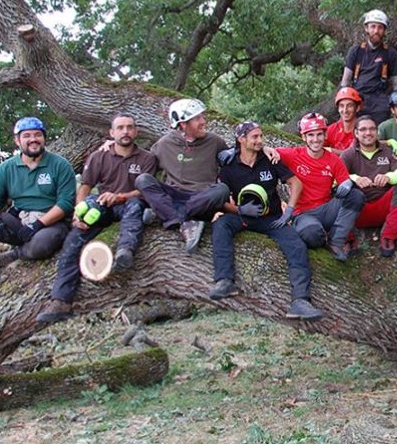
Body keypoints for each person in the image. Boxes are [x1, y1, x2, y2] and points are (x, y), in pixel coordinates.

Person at [36, 114, 157, 323]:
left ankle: (125, 251)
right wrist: (77, 213)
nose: (125, 131)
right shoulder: (99, 156)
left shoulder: (147, 158)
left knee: (135, 207)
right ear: (112, 133)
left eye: (130, 127)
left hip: (130, 202)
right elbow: (84, 187)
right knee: (74, 240)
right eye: (120, 128)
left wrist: (121, 196)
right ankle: (61, 300)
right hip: (102, 205)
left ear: (136, 131)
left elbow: (147, 190)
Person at [210, 121, 322, 319]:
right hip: (243, 216)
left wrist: (290, 210)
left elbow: (295, 183)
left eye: (261, 136)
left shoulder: (271, 159)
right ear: (241, 139)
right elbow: (221, 201)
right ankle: (224, 281)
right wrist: (239, 209)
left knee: (296, 246)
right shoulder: (229, 166)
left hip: (272, 219)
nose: (260, 140)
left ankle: (300, 301)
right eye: (255, 137)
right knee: (221, 224)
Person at [134, 98, 230, 252]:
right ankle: (182, 220)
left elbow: (237, 158)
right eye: (197, 118)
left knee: (222, 190)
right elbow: (140, 159)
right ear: (183, 124)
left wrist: (266, 150)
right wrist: (112, 144)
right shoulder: (164, 144)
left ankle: (165, 215)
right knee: (142, 180)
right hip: (174, 195)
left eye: (202, 116)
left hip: (202, 200)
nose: (203, 121)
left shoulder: (215, 142)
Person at [277, 112, 364, 261]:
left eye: (319, 134)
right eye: (310, 135)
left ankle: (336, 241)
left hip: (327, 209)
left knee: (356, 196)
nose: (315, 139)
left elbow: (345, 183)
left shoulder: (334, 160)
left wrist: (348, 183)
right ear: (304, 137)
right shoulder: (293, 155)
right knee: (312, 236)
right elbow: (264, 152)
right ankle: (322, 235)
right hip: (303, 213)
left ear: (325, 135)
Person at [0, 117, 75, 267]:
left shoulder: (60, 165)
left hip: (51, 223)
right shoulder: (7, 167)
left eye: (38, 135)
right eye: (27, 136)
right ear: (17, 140)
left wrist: (38, 224)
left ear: (44, 138)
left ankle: (16, 254)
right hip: (19, 221)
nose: (33, 139)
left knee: (41, 244)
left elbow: (66, 202)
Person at [341, 115, 397, 257]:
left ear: (377, 131)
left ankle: (388, 236)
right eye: (363, 129)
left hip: (385, 208)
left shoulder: (389, 150)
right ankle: (346, 238)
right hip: (358, 210)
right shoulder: (348, 154)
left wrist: (388, 177)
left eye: (372, 129)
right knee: (341, 190)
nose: (368, 133)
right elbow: (337, 177)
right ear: (356, 133)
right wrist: (356, 179)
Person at [339, 9, 397, 124]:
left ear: (384, 30)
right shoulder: (356, 51)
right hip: (357, 99)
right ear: (366, 28)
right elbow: (345, 83)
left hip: (380, 102)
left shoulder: (390, 53)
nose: (376, 31)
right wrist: (345, 104)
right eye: (373, 27)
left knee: (378, 136)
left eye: (380, 27)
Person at [326, 86, 361, 155]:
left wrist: (333, 151)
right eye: (341, 106)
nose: (345, 110)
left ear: (357, 108)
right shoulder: (331, 130)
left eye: (349, 106)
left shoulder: (364, 129)